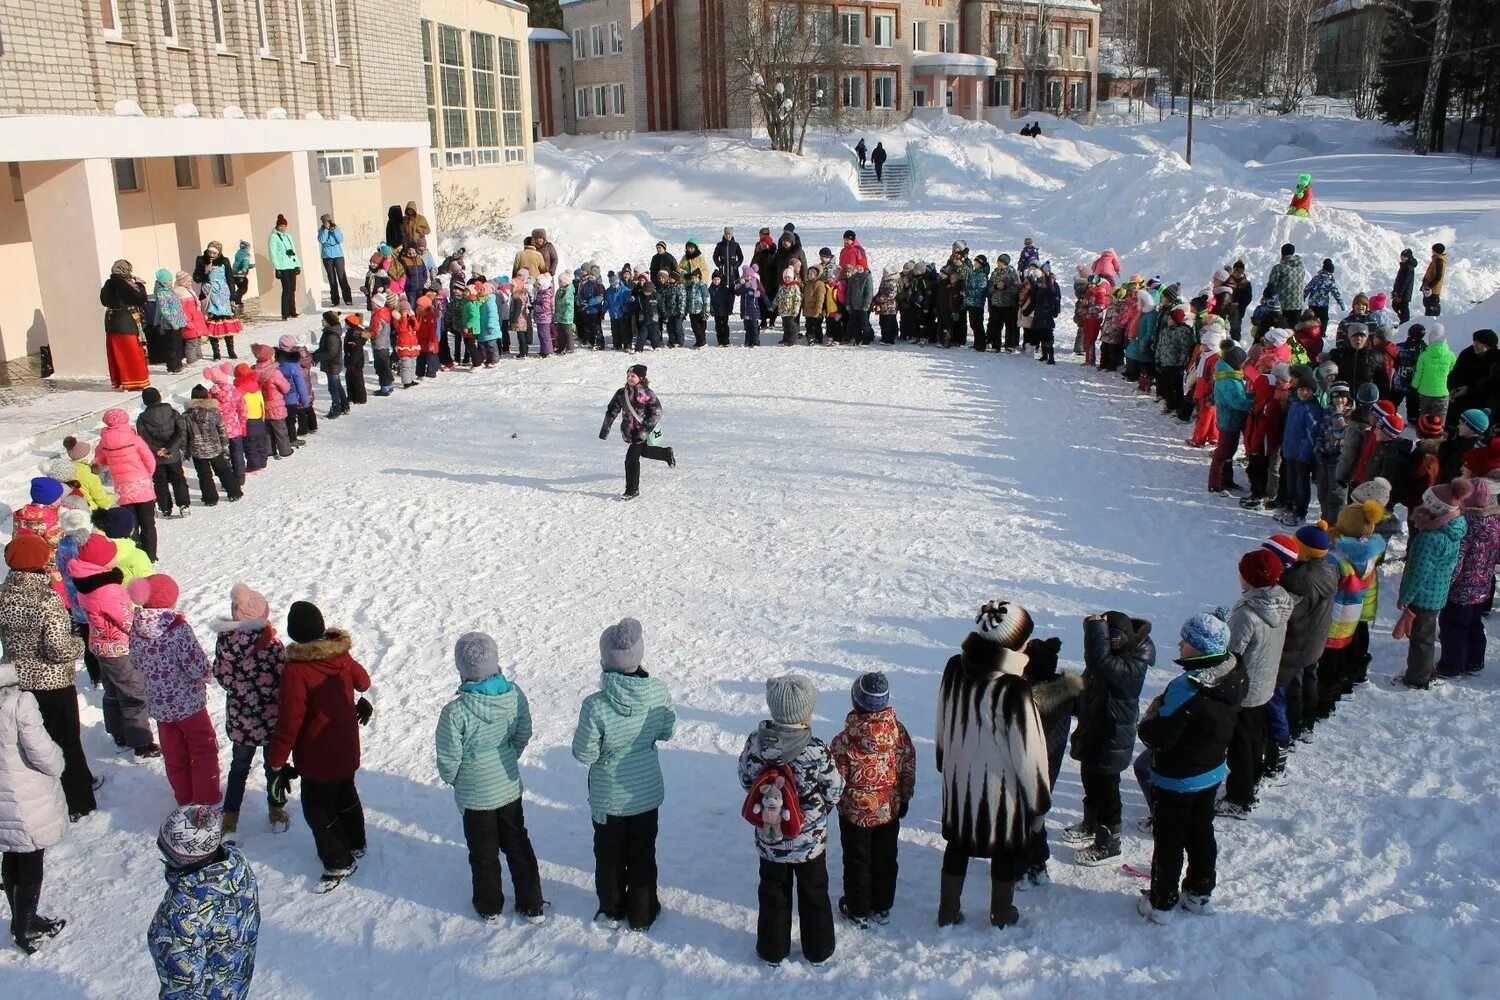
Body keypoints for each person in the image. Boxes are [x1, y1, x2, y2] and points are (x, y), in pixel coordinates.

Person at [935, 600, 1050, 929]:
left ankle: (947, 910)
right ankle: (1001, 914)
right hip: (1000, 790)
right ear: (1014, 644)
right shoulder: (1013, 688)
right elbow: (1028, 751)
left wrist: (945, 758)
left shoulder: (954, 667)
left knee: (957, 844)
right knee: (1004, 848)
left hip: (959, 778)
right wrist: (1038, 799)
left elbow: (943, 718)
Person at [1135, 613, 1247, 923]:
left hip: (1177, 779)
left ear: (1200, 649)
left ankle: (1161, 903)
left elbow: (1159, 737)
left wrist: (1148, 719)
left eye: (1187, 641)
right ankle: (1199, 893)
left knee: (1169, 841)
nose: (1180, 644)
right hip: (1210, 771)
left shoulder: (1188, 687)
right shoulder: (1234, 672)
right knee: (1201, 831)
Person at [570, 618, 675, 932]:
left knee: (610, 855)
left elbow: (584, 753)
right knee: (643, 852)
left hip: (609, 797)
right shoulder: (657, 691)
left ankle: (613, 908)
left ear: (605, 661)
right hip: (645, 792)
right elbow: (667, 730)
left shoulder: (596, 706)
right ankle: (643, 913)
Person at [436, 632, 547, 924]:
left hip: (475, 794)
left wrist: (456, 779)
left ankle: (489, 905)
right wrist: (510, 755)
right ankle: (532, 902)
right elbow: (523, 730)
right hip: (508, 785)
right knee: (517, 842)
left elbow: (449, 757)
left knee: (483, 851)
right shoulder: (514, 695)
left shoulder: (455, 712)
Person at [267, 601, 373, 891]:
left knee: (317, 808)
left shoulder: (296, 671)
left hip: (317, 752)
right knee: (345, 791)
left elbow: (290, 721)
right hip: (346, 744)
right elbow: (363, 681)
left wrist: (276, 761)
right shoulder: (340, 654)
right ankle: (356, 841)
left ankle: (339, 861)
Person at [738, 673, 843, 967]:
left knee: (773, 893)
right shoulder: (815, 748)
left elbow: (747, 780)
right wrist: (822, 810)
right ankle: (819, 950)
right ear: (805, 712)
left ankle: (772, 950)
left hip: (771, 837)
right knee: (814, 893)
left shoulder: (755, 743)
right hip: (809, 840)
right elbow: (835, 786)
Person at [2, 535, 97, 822]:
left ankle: (43, 793)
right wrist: (79, 644)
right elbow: (58, 648)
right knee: (65, 740)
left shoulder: (3, 594)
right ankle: (78, 800)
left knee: (31, 741)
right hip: (52, 683)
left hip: (16, 682)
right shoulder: (47, 598)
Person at [1065, 612, 1151, 866]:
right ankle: (1090, 823)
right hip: (1094, 733)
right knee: (1090, 781)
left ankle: (1109, 842)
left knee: (1106, 791)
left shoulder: (1131, 664)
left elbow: (1099, 663)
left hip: (1112, 739)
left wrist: (1094, 628)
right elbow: (1089, 679)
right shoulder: (1108, 658)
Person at [829, 672, 914, 928]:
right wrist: (905, 795)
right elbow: (907, 766)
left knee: (857, 861)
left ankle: (858, 908)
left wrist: (837, 801)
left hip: (855, 816)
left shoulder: (844, 741)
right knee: (886, 858)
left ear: (856, 702)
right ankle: (882, 904)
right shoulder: (898, 733)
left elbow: (835, 779)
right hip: (888, 810)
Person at [148, 805, 260, 999]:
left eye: (164, 850)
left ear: (180, 860)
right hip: (235, 985)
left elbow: (183, 989)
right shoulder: (237, 867)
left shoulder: (180, 915)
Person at [129, 574, 221, 808]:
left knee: (173, 753)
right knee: (203, 747)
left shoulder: (137, 625)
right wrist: (208, 675)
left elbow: (135, 660)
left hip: (159, 704)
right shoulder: (176, 627)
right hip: (188, 703)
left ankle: (184, 797)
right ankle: (206, 798)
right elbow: (195, 664)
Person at [1217, 551, 1294, 819]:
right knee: (1254, 737)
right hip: (1265, 682)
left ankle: (1239, 797)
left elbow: (1231, 654)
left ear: (1250, 577)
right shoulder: (1280, 601)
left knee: (1240, 745)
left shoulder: (1249, 614)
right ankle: (1253, 778)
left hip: (1244, 687)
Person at [0, 654, 68, 954]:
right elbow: (44, 755)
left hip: (3, 798)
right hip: (24, 795)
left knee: (13, 853)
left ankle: (21, 918)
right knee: (30, 857)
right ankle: (25, 927)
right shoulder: (19, 703)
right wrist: (58, 759)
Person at [210, 584, 288, 836]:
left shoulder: (224, 643)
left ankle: (230, 818)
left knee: (239, 767)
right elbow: (283, 678)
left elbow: (220, 675)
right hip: (269, 720)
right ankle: (276, 810)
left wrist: (239, 691)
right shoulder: (273, 646)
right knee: (273, 766)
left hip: (240, 719)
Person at [1395, 485, 1468, 689]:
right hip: (1438, 590)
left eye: (1428, 502)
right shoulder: (1454, 527)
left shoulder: (1430, 537)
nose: (1423, 505)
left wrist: (1405, 597)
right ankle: (1427, 671)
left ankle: (1418, 678)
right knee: (1425, 634)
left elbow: (1418, 573)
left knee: (1421, 638)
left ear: (1437, 509)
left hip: (1423, 595)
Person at [599, 365, 674, 499]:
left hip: (642, 431)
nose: (629, 378)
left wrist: (645, 428)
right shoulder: (621, 393)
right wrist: (605, 430)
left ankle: (632, 490)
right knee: (644, 452)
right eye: (628, 375)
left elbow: (657, 412)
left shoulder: (648, 393)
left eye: (633, 376)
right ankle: (665, 453)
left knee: (631, 459)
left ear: (641, 378)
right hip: (629, 431)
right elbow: (612, 411)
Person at [94, 408, 159, 559]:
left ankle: (136, 553)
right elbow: (149, 460)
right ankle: (150, 555)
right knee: (148, 524)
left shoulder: (104, 441)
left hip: (123, 489)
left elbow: (99, 461)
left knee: (131, 524)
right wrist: (147, 475)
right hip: (142, 486)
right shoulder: (134, 438)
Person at [184, 385, 242, 506]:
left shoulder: (186, 415)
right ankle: (234, 492)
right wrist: (225, 445)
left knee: (204, 475)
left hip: (197, 450)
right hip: (215, 447)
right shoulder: (214, 412)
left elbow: (185, 434)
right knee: (223, 470)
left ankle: (210, 499)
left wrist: (186, 450)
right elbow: (222, 429)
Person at [100, 260, 151, 391]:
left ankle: (122, 381)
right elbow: (140, 298)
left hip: (112, 323)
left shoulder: (108, 283)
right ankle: (136, 381)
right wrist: (139, 284)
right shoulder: (124, 283)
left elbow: (104, 301)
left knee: (117, 354)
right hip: (126, 321)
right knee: (132, 353)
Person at [193, 241, 242, 360]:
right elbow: (196, 277)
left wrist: (233, 296)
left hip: (223, 294)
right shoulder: (201, 260)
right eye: (210, 252)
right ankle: (216, 352)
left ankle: (231, 350)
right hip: (209, 293)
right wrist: (206, 271)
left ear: (219, 252)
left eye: (214, 253)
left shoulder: (224, 261)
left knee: (226, 324)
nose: (211, 254)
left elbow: (230, 278)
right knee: (213, 324)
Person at [268, 214, 300, 321]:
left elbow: (294, 250)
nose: (283, 228)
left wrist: (297, 265)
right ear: (277, 226)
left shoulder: (288, 236)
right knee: (286, 290)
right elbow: (273, 253)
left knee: (292, 289)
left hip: (291, 265)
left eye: (284, 226)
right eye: (281, 226)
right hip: (282, 266)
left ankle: (292, 311)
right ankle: (285, 313)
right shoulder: (273, 237)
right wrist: (277, 268)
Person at [318, 215, 353, 307]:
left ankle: (348, 299)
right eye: (325, 222)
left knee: (342, 277)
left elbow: (340, 239)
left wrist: (333, 230)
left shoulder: (336, 228)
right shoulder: (321, 230)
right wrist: (326, 230)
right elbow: (322, 240)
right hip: (327, 257)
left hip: (338, 256)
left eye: (328, 221)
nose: (327, 223)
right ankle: (335, 300)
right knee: (332, 278)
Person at [1266, 244, 1308, 318]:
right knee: (1293, 328)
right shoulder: (1301, 268)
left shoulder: (1278, 268)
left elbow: (1271, 286)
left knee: (1280, 329)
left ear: (1282, 253)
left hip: (1282, 306)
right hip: (1298, 305)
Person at [1420, 242, 1446, 316]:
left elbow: (1438, 276)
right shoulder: (1436, 259)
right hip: (1429, 286)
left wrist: (1429, 286)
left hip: (1433, 288)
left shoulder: (1439, 261)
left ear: (1436, 251)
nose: (1432, 251)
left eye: (1433, 250)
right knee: (1427, 304)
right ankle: (1428, 319)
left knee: (1432, 305)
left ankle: (1432, 320)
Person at [1392, 248, 1417, 324]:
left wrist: (1399, 293)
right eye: (1402, 256)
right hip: (1401, 292)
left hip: (1404, 293)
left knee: (1403, 307)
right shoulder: (1405, 265)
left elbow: (1404, 282)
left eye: (1404, 256)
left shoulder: (1408, 267)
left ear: (1408, 257)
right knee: (1397, 306)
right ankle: (1404, 321)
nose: (1402, 258)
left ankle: (1405, 322)